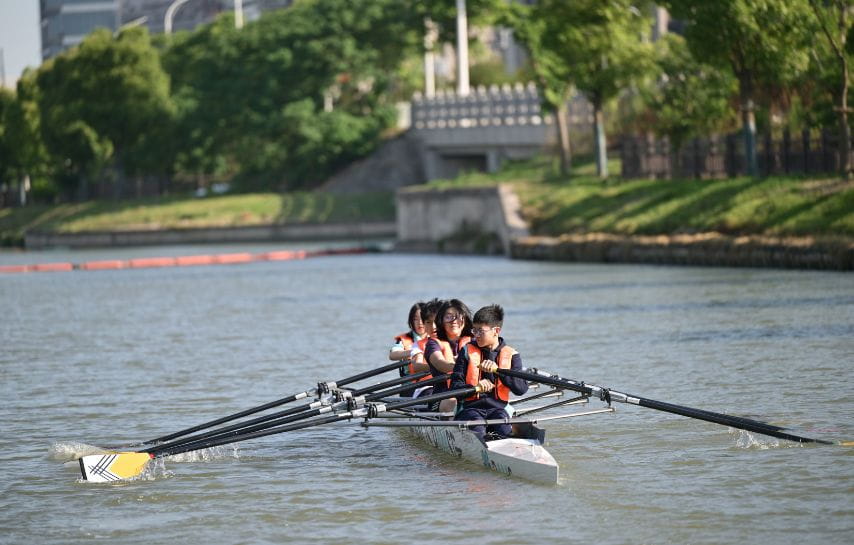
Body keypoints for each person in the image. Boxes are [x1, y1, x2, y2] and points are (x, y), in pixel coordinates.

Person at [450, 304, 528, 440]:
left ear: (496, 331)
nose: (476, 335)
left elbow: (521, 389)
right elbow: (455, 387)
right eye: (474, 331)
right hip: (470, 410)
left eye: (481, 331)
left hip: (498, 411)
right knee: (478, 430)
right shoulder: (466, 351)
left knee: (504, 431)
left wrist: (498, 371)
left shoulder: (512, 354)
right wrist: (476, 388)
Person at [422, 298, 473, 412]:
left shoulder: (475, 341)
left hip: (472, 391)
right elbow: (440, 363)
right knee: (452, 400)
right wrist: (462, 364)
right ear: (441, 321)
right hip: (442, 396)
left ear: (464, 319)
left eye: (458, 316)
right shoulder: (433, 343)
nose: (454, 321)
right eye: (449, 317)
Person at [389, 302, 427, 383]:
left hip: (433, 382)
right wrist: (414, 352)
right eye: (415, 319)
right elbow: (392, 355)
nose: (420, 322)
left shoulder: (437, 338)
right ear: (411, 321)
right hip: (410, 385)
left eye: (423, 318)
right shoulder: (403, 339)